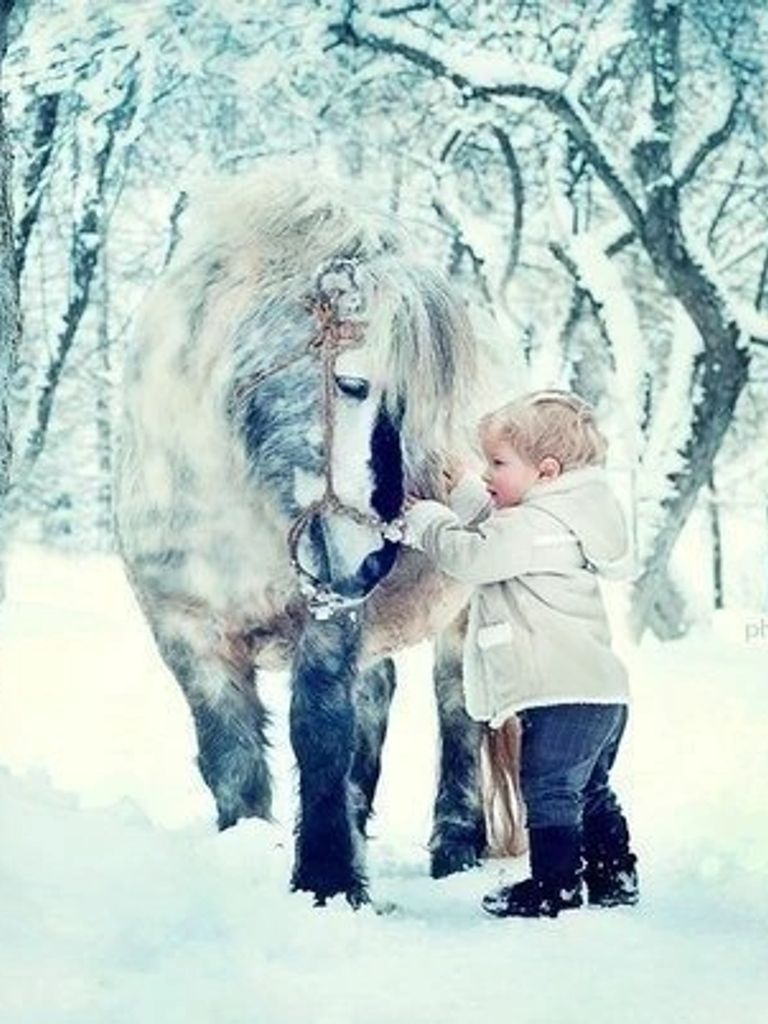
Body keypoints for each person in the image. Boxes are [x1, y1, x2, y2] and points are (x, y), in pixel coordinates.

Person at [402, 389, 639, 918]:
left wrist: (427, 524)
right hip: (598, 694)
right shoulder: (558, 518)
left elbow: (477, 553)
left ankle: (554, 884)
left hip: (564, 695)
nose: (488, 472)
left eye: (498, 463)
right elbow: (495, 519)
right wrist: (464, 488)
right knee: (591, 789)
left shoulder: (531, 527)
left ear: (547, 471)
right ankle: (613, 873)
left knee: (549, 789)